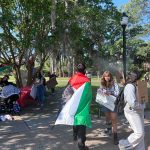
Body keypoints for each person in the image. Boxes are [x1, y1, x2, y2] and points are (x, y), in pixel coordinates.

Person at [55, 63, 92, 150]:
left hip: (73, 104)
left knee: (75, 119)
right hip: (82, 105)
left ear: (76, 70)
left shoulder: (72, 78)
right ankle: (81, 145)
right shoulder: (87, 80)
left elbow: (67, 92)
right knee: (82, 123)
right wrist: (89, 105)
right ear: (84, 71)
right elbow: (88, 95)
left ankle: (75, 135)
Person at [118, 71, 145, 150]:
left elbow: (141, 97)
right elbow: (132, 103)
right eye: (138, 78)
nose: (139, 79)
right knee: (139, 133)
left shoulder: (136, 85)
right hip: (132, 112)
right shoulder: (130, 86)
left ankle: (140, 148)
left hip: (138, 111)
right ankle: (124, 144)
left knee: (142, 133)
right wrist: (142, 105)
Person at [97, 71, 120, 145]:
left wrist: (110, 93)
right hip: (105, 103)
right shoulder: (102, 84)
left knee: (113, 118)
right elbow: (100, 90)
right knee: (107, 117)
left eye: (108, 76)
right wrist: (100, 91)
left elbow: (117, 93)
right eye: (105, 76)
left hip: (113, 103)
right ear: (103, 77)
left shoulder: (115, 84)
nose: (107, 77)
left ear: (110, 76)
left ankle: (115, 136)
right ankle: (109, 129)